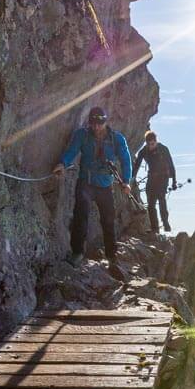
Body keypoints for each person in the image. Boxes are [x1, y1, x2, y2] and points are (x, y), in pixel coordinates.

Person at [52, 106, 133, 280]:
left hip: (105, 185)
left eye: (99, 123)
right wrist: (63, 163)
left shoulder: (117, 139)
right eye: (93, 123)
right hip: (86, 182)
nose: (96, 127)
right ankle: (77, 253)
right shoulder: (82, 135)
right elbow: (72, 150)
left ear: (105, 122)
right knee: (80, 215)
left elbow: (126, 160)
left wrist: (126, 181)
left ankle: (111, 256)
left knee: (108, 220)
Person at [133, 130, 178, 235]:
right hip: (152, 177)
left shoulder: (163, 149)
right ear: (146, 143)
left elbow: (171, 165)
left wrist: (174, 181)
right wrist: (132, 177)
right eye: (149, 144)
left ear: (156, 141)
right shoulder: (144, 151)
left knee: (161, 198)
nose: (151, 146)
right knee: (151, 203)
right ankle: (155, 229)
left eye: (152, 144)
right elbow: (137, 164)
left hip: (163, 177)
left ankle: (165, 223)